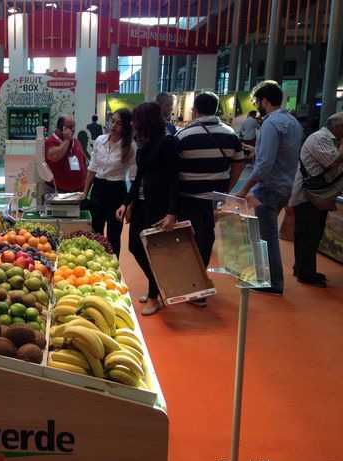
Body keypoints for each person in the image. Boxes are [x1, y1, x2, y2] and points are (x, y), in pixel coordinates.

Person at [176, 92, 245, 306]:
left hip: (189, 198)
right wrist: (225, 189)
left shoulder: (184, 135)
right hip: (215, 200)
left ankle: (196, 287)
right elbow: (238, 164)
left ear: (195, 110)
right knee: (206, 240)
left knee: (191, 242)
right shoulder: (230, 134)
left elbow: (173, 169)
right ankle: (199, 281)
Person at [235, 80, 303, 296]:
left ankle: (273, 282)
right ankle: (270, 279)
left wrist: (244, 188)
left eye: (257, 102)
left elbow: (264, 165)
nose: (256, 106)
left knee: (266, 237)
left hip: (269, 188)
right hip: (285, 185)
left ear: (264, 101)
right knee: (267, 234)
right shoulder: (293, 122)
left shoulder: (271, 124)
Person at [115, 102, 179, 316]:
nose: (132, 124)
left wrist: (171, 212)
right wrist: (126, 203)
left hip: (158, 206)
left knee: (153, 251)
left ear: (146, 121)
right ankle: (157, 286)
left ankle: (154, 296)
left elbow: (173, 180)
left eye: (136, 120)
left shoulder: (167, 143)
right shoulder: (144, 142)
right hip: (142, 203)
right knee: (135, 246)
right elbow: (139, 177)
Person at [289, 112, 343, 288]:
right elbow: (333, 162)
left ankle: (302, 269)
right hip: (307, 195)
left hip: (315, 195)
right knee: (308, 235)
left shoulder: (327, 139)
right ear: (338, 127)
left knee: (312, 234)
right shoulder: (320, 138)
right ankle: (305, 274)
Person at [83, 108, 136, 258]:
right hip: (98, 189)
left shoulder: (131, 146)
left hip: (117, 192)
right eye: (112, 121)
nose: (113, 126)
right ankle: (94, 263)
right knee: (95, 232)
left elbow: (134, 179)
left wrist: (130, 205)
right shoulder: (100, 140)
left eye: (119, 124)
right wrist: (85, 193)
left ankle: (113, 265)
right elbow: (92, 169)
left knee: (114, 235)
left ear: (126, 126)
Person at [44, 115, 87, 194]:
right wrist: (67, 139)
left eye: (74, 126)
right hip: (57, 192)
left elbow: (83, 163)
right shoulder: (50, 141)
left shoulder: (76, 142)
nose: (73, 129)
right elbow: (54, 157)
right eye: (70, 127)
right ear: (60, 129)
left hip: (78, 191)